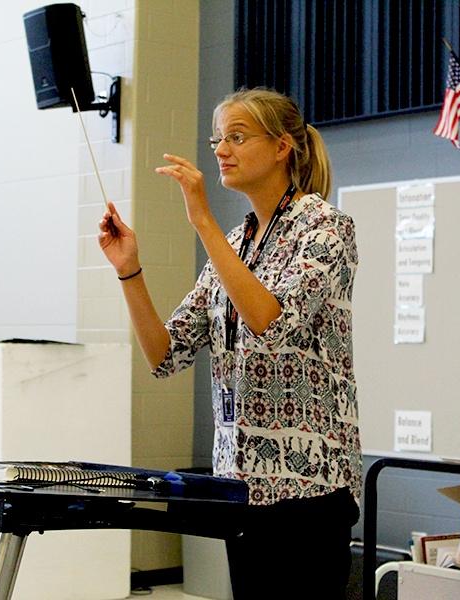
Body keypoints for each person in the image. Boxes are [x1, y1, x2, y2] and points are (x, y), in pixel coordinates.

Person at [98, 87, 362, 599]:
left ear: (283, 146)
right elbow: (164, 353)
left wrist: (201, 219)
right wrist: (128, 269)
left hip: (309, 488)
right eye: (218, 139)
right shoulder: (237, 243)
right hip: (241, 486)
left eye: (237, 137)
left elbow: (270, 320)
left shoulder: (325, 226)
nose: (220, 149)